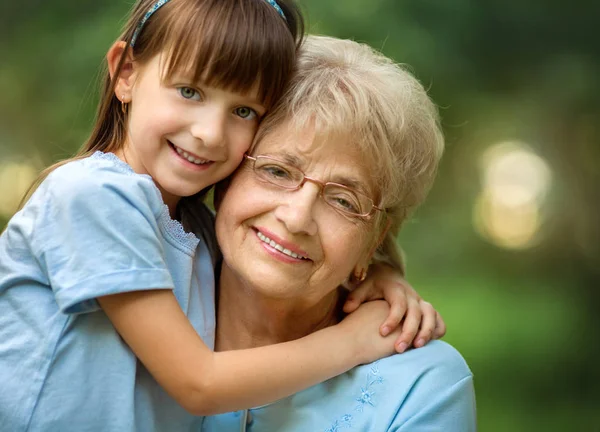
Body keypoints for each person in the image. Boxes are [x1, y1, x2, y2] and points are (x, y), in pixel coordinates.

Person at [0, 1, 445, 431]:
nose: (210, 133)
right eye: (190, 91)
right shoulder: (95, 197)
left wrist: (381, 275)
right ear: (127, 72)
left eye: (244, 111)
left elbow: (275, 254)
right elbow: (199, 384)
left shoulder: (188, 225)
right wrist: (354, 341)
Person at [201, 35, 477, 431]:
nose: (297, 218)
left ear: (375, 239)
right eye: (277, 171)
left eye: (344, 200)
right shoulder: (139, 307)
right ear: (226, 178)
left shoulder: (423, 384)